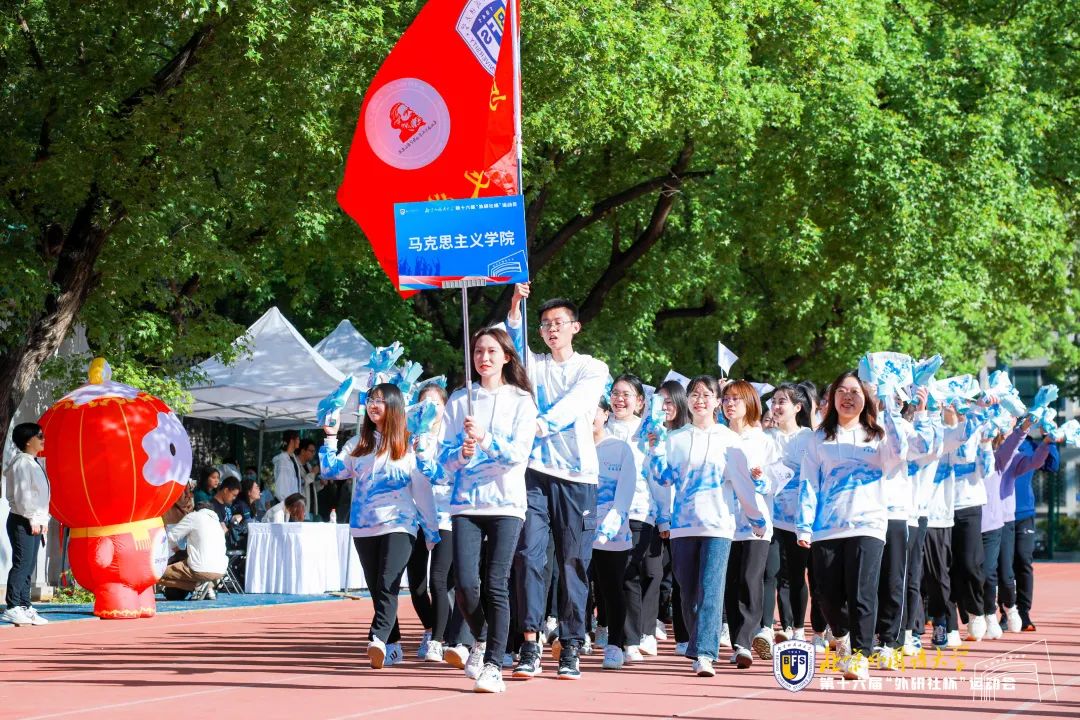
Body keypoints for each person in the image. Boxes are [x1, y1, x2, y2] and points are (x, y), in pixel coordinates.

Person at [797, 370, 928, 681]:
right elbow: (809, 482)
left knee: (863, 594)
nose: (848, 397)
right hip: (827, 527)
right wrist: (804, 525)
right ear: (832, 398)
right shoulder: (819, 438)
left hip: (868, 525)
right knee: (826, 595)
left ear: (866, 399)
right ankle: (841, 635)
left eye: (855, 391)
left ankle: (861, 654)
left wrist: (891, 409)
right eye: (842, 391)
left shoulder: (879, 435)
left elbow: (902, 451)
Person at [506, 283, 609, 680]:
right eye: (545, 324)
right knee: (529, 556)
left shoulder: (592, 368)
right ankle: (530, 643)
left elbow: (576, 404)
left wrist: (539, 425)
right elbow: (513, 346)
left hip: (578, 477)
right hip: (534, 473)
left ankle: (571, 644)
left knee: (573, 562)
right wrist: (516, 306)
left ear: (575, 327)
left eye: (559, 323)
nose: (551, 329)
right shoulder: (535, 366)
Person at [440, 326, 537, 692]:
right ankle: (482, 636)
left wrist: (484, 438)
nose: (484, 357)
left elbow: (518, 454)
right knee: (465, 584)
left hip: (506, 503)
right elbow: (443, 459)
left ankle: (494, 664)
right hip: (466, 502)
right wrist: (461, 453)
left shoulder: (521, 401)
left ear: (506, 357)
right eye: (479, 351)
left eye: (492, 351)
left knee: (496, 583)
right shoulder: (459, 400)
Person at [650, 375, 765, 678]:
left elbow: (742, 483)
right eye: (694, 395)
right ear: (687, 401)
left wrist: (755, 517)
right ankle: (697, 643)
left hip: (718, 525)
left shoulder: (729, 440)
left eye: (706, 395)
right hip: (683, 526)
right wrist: (655, 450)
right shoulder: (674, 438)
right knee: (688, 593)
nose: (700, 400)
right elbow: (662, 479)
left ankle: (705, 653)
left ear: (716, 401)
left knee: (711, 590)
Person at [321, 383, 440, 670]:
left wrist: (432, 529)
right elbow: (331, 470)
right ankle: (393, 645)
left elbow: (422, 489)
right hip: (364, 527)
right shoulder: (358, 444)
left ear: (395, 406)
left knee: (388, 583)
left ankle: (377, 638)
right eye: (371, 400)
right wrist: (330, 436)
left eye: (380, 400)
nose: (373, 405)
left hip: (400, 524)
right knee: (377, 588)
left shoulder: (408, 443)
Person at [605, 374, 668, 662]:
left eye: (626, 394)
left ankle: (630, 640)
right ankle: (611, 635)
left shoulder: (649, 433)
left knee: (630, 573)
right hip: (604, 514)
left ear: (640, 402)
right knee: (608, 577)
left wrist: (664, 518)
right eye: (615, 393)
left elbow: (658, 477)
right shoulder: (600, 427)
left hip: (639, 511)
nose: (619, 399)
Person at [720, 380, 780, 668]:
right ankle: (738, 642)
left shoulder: (763, 440)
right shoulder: (717, 437)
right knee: (730, 583)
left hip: (756, 522)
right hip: (722, 521)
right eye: (726, 399)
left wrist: (763, 480)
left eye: (736, 399)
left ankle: (746, 640)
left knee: (749, 578)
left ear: (750, 403)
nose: (730, 404)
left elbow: (778, 478)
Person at [766, 383, 815, 646]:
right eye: (774, 401)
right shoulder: (766, 437)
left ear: (797, 407)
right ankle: (774, 626)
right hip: (770, 518)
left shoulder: (809, 438)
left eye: (782, 401)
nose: (776, 406)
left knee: (795, 576)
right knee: (771, 573)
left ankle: (798, 627)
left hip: (800, 520)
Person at [590, 398, 637, 670]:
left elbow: (624, 493)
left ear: (606, 414)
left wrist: (608, 527)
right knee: (576, 586)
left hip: (613, 534)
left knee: (611, 589)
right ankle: (575, 638)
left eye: (594, 410)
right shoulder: (574, 447)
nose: (589, 416)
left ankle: (615, 645)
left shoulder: (619, 449)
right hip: (580, 530)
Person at [407, 383, 453, 663]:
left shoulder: (451, 439)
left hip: (445, 517)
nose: (430, 408)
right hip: (416, 518)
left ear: (445, 408)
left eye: (436, 403)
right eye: (424, 402)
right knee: (416, 585)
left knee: (439, 581)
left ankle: (438, 639)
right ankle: (429, 629)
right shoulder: (409, 439)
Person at [655, 379, 690, 655]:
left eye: (668, 401)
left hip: (683, 518)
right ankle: (655, 623)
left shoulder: (688, 436)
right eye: (659, 402)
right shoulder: (651, 435)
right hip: (652, 515)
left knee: (683, 579)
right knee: (656, 573)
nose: (664, 407)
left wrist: (667, 518)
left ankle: (686, 635)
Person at [1008, 432, 1057, 632]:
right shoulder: (999, 439)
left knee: (1023, 560)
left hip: (1024, 513)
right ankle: (1006, 612)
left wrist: (1050, 438)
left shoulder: (1032, 445)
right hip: (999, 515)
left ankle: (1023, 613)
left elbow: (1052, 465)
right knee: (1003, 565)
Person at [3, 423, 50, 626]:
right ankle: (12, 607)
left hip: (33, 520)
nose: (43, 439)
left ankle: (24, 605)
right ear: (28, 440)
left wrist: (42, 519)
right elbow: (23, 496)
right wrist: (32, 518)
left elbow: (40, 496)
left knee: (28, 566)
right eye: (39, 436)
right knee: (22, 564)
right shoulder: (22, 463)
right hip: (22, 520)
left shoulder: (33, 462)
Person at [161, 502, 227, 599]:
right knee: (191, 571)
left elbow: (171, 536)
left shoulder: (194, 516)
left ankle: (198, 586)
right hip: (221, 571)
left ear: (195, 510)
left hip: (199, 568)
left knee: (157, 574)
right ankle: (208, 587)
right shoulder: (217, 523)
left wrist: (165, 548)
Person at [273, 430, 303, 500]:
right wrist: (287, 504)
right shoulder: (283, 461)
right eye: (298, 439)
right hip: (287, 503)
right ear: (292, 441)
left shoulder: (293, 458)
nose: (299, 441)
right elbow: (281, 489)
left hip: (294, 501)